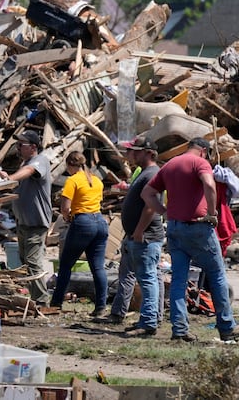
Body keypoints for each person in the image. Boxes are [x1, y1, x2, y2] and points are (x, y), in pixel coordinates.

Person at [140, 137, 239, 342]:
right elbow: (210, 185)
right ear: (203, 151)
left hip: (175, 228)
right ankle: (227, 327)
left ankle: (179, 330)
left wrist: (165, 212)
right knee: (217, 274)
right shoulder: (200, 162)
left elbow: (147, 193)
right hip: (198, 226)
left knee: (179, 278)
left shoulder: (169, 165)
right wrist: (212, 213)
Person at [50, 151, 109, 316]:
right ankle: (101, 306)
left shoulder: (72, 180)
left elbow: (65, 207)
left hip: (83, 222)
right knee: (98, 267)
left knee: (66, 265)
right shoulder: (97, 180)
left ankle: (56, 302)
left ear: (70, 165)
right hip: (100, 222)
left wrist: (67, 218)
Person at [0, 130, 52, 305]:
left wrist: (11, 179)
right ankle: (35, 297)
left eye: (21, 145)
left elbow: (30, 171)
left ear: (33, 147)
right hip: (24, 222)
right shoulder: (26, 162)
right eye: (17, 144)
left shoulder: (40, 160)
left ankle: (42, 300)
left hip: (36, 222)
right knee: (25, 261)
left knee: (32, 261)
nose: (18, 147)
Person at [119, 137, 165, 337]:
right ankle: (148, 319)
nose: (132, 154)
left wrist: (139, 231)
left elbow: (150, 207)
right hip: (139, 236)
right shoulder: (145, 173)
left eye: (136, 151)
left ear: (149, 153)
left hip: (145, 237)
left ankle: (148, 323)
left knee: (147, 279)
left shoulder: (153, 174)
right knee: (148, 278)